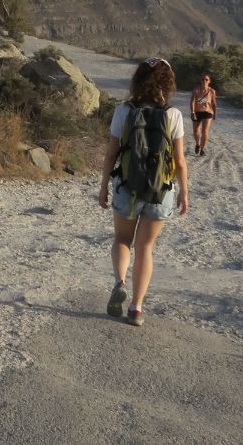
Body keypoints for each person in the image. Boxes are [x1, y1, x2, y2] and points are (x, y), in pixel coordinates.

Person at [97, 57, 190, 326]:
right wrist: (184, 192)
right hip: (161, 191)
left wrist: (103, 187)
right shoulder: (173, 115)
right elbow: (180, 160)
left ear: (137, 80)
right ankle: (136, 309)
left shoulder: (123, 111)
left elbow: (111, 153)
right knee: (146, 247)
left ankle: (120, 282)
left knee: (122, 239)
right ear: (168, 83)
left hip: (127, 185)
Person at [190, 72, 217, 156]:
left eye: (206, 79)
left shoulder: (212, 91)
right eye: (203, 79)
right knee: (195, 130)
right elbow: (192, 102)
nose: (204, 81)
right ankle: (198, 144)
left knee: (205, 131)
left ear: (209, 81)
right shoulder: (196, 89)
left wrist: (215, 113)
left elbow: (213, 103)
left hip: (208, 112)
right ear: (200, 80)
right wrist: (192, 112)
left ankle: (202, 150)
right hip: (197, 112)